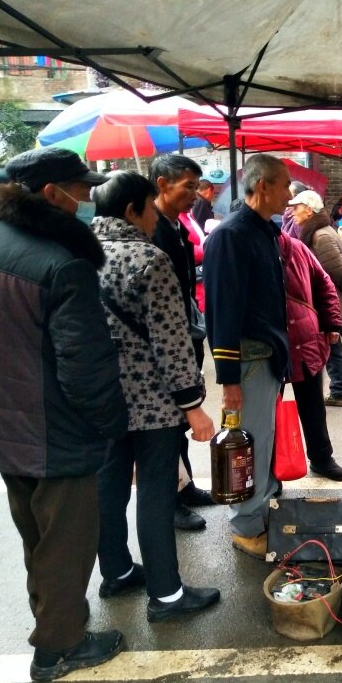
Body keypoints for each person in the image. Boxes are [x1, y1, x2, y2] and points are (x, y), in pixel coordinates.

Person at [0, 147, 128, 682]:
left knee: (37, 536)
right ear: (53, 193)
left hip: (1, 422)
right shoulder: (63, 263)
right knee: (67, 542)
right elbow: (85, 365)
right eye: (81, 189)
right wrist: (110, 427)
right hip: (55, 430)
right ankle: (59, 646)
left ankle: (56, 617)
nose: (86, 200)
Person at [92, 172, 221, 622]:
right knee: (155, 491)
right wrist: (193, 406)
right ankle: (166, 595)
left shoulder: (78, 254)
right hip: (152, 401)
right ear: (132, 210)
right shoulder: (149, 259)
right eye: (149, 208)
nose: (154, 217)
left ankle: (117, 571)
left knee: (109, 485)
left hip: (100, 396)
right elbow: (171, 342)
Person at [203, 154, 292, 560]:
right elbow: (221, 311)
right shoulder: (231, 235)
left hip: (266, 356)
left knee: (263, 440)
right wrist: (228, 379)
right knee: (249, 444)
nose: (289, 194)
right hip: (248, 361)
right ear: (263, 186)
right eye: (284, 185)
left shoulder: (263, 230)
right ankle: (246, 525)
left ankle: (262, 508)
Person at [149, 154, 211, 532]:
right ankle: (170, 500)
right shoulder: (152, 229)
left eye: (196, 186)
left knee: (180, 422)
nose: (195, 194)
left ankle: (186, 487)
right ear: (162, 184)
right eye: (188, 186)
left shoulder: (176, 225)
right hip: (167, 342)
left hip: (187, 333)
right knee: (169, 425)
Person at [277, 222, 342, 481]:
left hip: (305, 338)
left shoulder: (296, 248)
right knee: (267, 411)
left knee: (313, 407)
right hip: (269, 345)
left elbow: (324, 284)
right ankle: (270, 468)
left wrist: (331, 323)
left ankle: (321, 458)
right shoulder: (247, 249)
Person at [289, 189, 342, 408]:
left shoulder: (320, 236)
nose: (292, 212)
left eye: (296, 208)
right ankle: (337, 390)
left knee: (332, 346)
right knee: (331, 346)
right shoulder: (318, 232)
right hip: (326, 300)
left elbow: (338, 270)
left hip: (329, 301)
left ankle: (339, 391)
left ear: (309, 210)